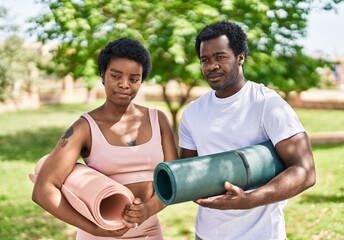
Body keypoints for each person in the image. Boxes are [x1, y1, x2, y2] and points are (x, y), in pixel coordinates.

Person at [178, 21, 316, 239]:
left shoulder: (267, 104)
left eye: (220, 57)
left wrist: (248, 200)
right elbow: (188, 173)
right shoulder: (192, 113)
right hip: (205, 234)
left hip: (261, 234)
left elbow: (305, 171)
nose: (212, 66)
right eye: (205, 60)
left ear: (240, 57)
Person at [32, 38, 178, 239]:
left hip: (150, 232)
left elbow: (173, 180)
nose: (124, 85)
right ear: (103, 75)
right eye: (116, 76)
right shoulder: (84, 128)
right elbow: (43, 189)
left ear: (141, 80)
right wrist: (96, 229)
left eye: (134, 79)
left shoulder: (158, 120)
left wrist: (147, 209)